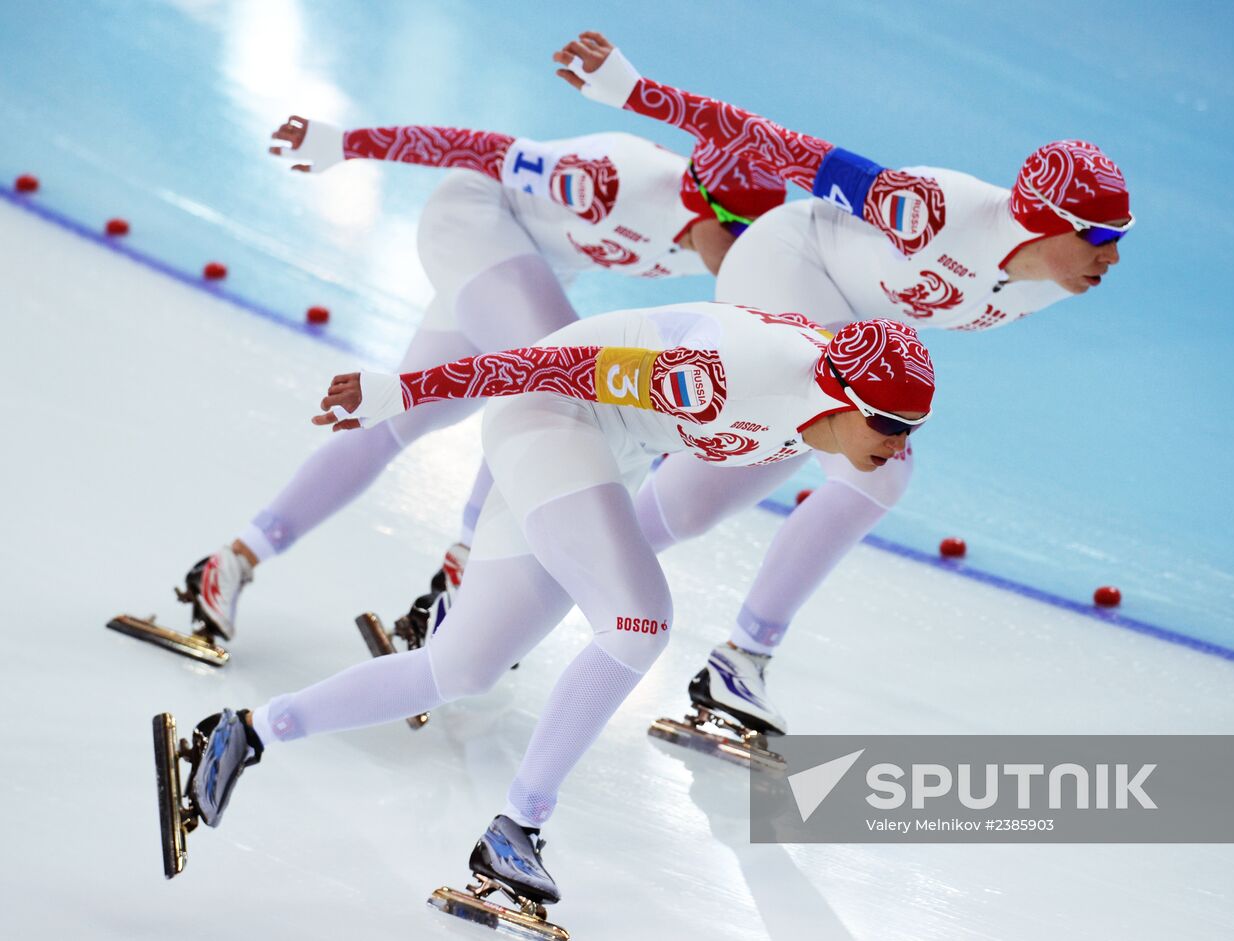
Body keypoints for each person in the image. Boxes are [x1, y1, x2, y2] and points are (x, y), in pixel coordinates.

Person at [159, 301, 935, 920]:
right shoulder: (730, 375)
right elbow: (546, 361)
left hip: (606, 443)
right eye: (890, 425)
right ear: (842, 396)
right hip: (549, 415)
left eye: (914, 431)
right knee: (638, 620)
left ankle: (245, 731)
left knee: (460, 667)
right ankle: (518, 827)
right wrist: (403, 390)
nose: (899, 445)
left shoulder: (820, 410)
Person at [553, 32, 1133, 736]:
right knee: (880, 466)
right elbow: (775, 143)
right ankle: (743, 657)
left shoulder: (1060, 282)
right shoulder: (934, 211)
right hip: (791, 267)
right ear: (1050, 220)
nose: (1113, 255)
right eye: (1101, 234)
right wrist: (637, 94)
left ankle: (524, 584)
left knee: (697, 503)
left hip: (848, 330)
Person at [161, 114, 784, 648]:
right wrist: (347, 143)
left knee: (400, 420)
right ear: (704, 202)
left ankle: (231, 561)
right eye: (735, 234)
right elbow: (480, 147)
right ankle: (459, 578)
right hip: (475, 219)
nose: (740, 255)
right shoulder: (617, 177)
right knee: (559, 384)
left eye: (757, 241)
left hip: (521, 266)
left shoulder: (737, 239)